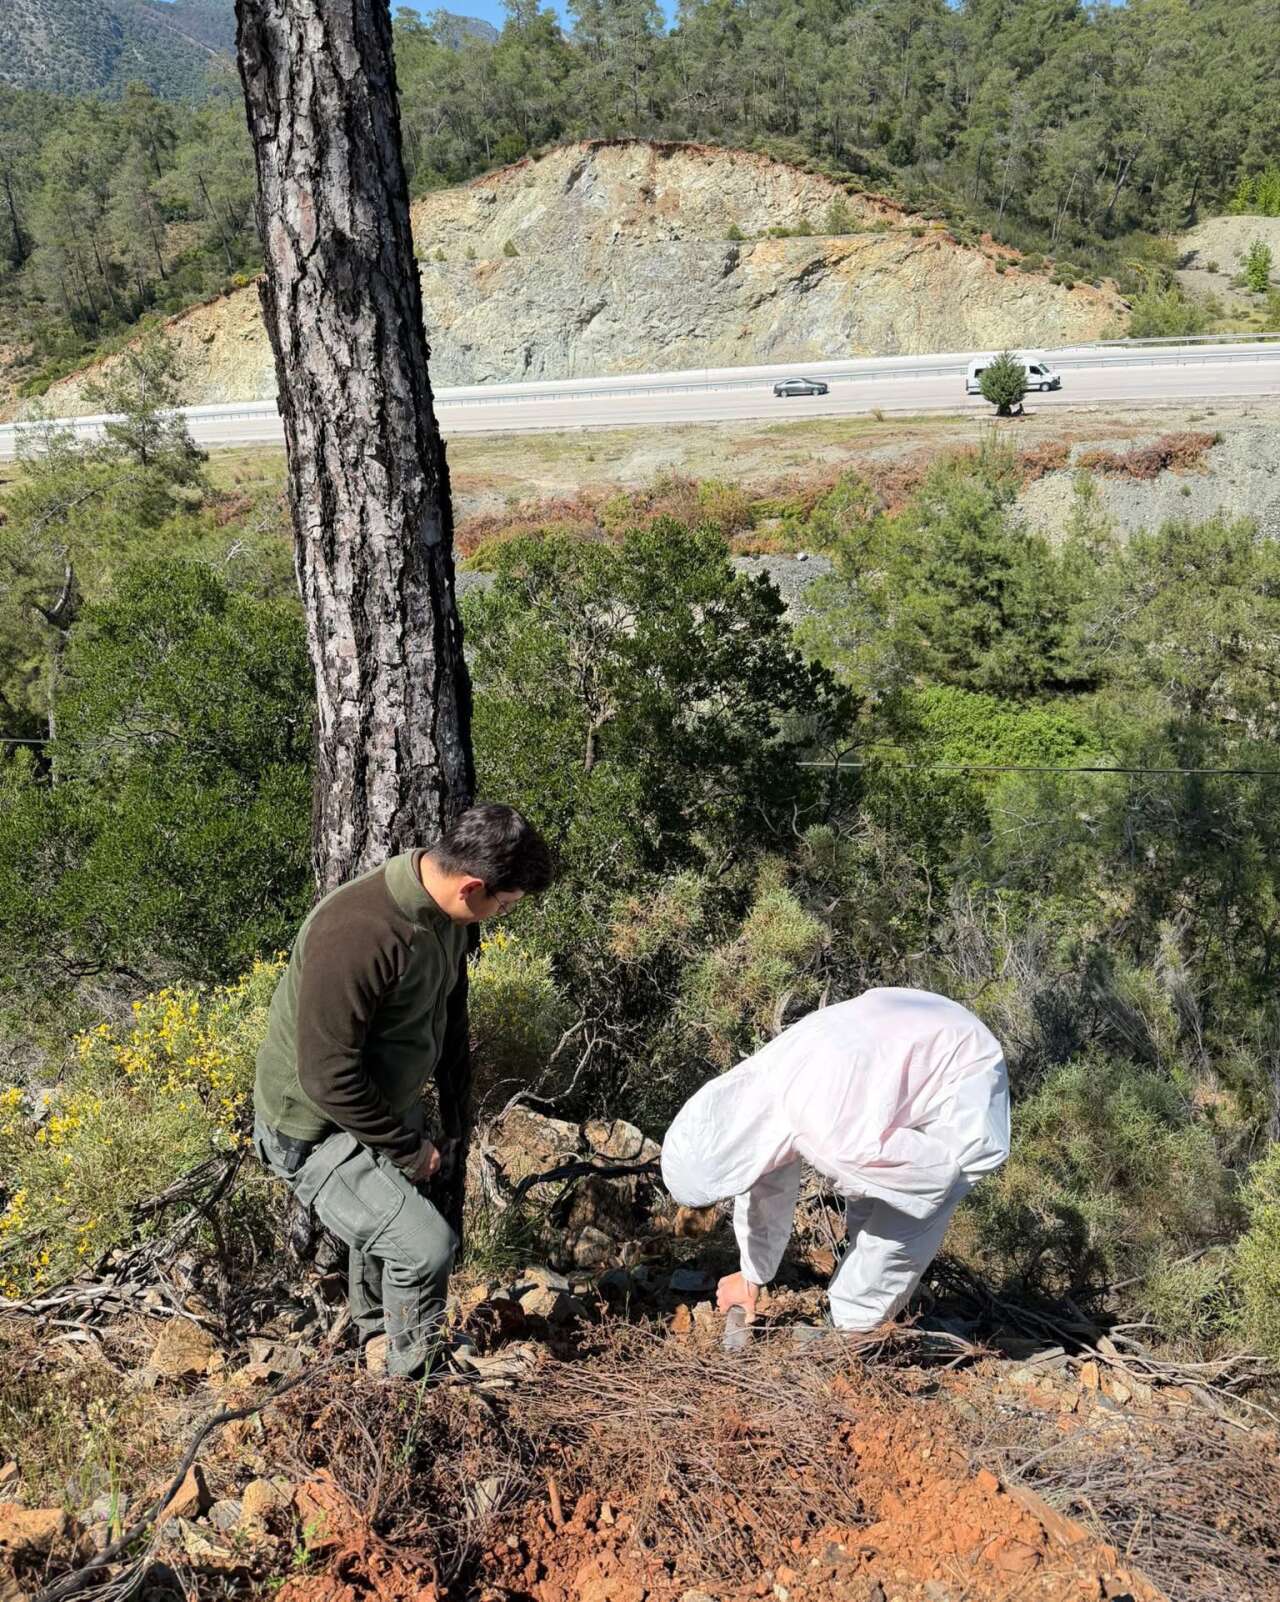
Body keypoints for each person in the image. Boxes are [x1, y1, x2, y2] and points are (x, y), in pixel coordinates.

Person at [252, 803, 554, 1378]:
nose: (501, 917)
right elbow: (326, 1077)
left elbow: (451, 1021)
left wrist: (457, 1120)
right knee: (425, 1250)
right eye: (504, 905)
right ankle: (413, 1385)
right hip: (311, 1126)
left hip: (379, 1103)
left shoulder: (448, 920)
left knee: (390, 1225)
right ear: (471, 887)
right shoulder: (358, 932)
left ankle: (374, 1340)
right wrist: (408, 1149)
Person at [660, 987, 1009, 1332]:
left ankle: (849, 1334)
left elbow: (936, 1178)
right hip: (918, 1027)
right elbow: (765, 1181)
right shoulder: (758, 1091)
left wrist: (865, 1284)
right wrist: (752, 1275)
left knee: (893, 1232)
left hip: (964, 1078)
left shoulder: (829, 1135)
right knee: (868, 1192)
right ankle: (869, 1306)